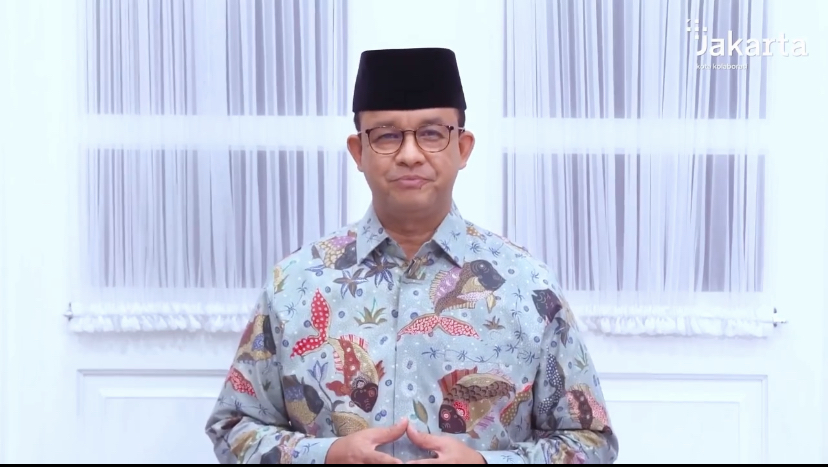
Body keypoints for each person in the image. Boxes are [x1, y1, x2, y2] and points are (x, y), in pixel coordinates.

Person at [205, 47, 619, 464]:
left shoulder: (527, 285)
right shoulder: (295, 282)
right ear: (358, 151)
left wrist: (485, 464)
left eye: (432, 133)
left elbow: (590, 442)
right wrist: (327, 455)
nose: (409, 154)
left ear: (463, 147)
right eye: (386, 135)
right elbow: (233, 428)